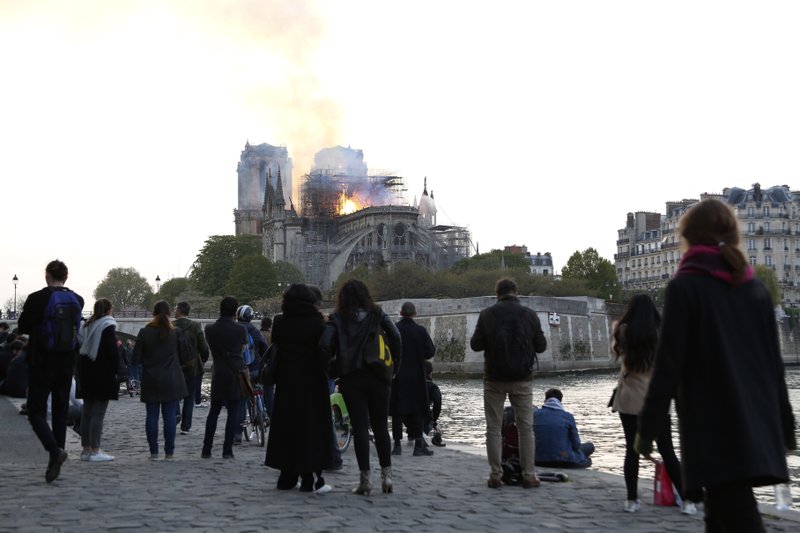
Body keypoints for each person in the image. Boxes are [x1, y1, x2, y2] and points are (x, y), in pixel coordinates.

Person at [636, 199, 796, 531]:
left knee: (734, 512)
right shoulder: (756, 289)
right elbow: (774, 365)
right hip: (755, 415)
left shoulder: (685, 286)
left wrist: (647, 429)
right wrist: (785, 424)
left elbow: (669, 364)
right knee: (723, 513)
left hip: (711, 421)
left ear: (690, 237)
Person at [611, 294, 693, 514]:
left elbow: (616, 350)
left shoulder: (622, 330)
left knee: (631, 450)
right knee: (667, 450)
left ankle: (631, 500)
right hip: (655, 399)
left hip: (628, 397)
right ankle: (687, 501)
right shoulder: (661, 333)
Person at [320, 279, 402, 495]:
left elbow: (324, 345)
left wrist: (331, 368)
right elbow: (396, 336)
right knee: (381, 427)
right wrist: (395, 367)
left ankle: (365, 480)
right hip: (378, 376)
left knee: (360, 428)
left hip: (351, 377)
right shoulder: (378, 313)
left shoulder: (337, 318)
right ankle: (387, 477)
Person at [470, 277, 546, 489]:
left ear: (497, 294)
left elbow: (475, 345)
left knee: (493, 427)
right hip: (522, 378)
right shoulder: (530, 315)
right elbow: (541, 346)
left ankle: (496, 474)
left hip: (494, 377)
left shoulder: (487, 314)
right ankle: (529, 475)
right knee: (525, 428)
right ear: (516, 292)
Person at [18, 259, 84, 483]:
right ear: (66, 276)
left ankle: (54, 452)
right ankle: (57, 456)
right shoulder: (77, 299)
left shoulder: (37, 299)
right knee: (60, 410)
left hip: (42, 360)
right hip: (67, 361)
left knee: (36, 412)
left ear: (46, 275)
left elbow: (24, 326)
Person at [265, 284, 334, 492]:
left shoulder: (280, 322)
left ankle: (286, 476)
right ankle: (308, 478)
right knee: (310, 429)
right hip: (312, 382)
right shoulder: (318, 324)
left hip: (286, 382)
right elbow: (326, 351)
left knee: (287, 428)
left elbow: (278, 345)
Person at [133, 301, 188, 460]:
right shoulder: (175, 333)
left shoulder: (144, 332)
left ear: (153, 313)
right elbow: (184, 356)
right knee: (170, 416)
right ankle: (169, 452)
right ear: (169, 313)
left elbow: (136, 359)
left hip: (151, 379)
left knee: (152, 416)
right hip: (171, 379)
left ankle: (154, 452)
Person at [202, 296, 248, 460]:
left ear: (220, 309)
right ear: (235, 312)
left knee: (213, 411)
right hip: (235, 373)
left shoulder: (209, 328)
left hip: (219, 372)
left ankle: (206, 449)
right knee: (233, 411)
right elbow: (242, 349)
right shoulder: (241, 330)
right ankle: (227, 450)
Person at [390, 301, 436, 457]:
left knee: (397, 410)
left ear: (401, 313)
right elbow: (430, 352)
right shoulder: (420, 331)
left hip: (397, 374)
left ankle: (397, 445)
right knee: (417, 409)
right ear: (415, 313)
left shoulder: (394, 328)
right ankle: (418, 445)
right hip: (417, 375)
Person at [76, 298, 119, 462]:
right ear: (108, 310)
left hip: (87, 371)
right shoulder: (107, 325)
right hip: (102, 373)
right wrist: (117, 371)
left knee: (87, 413)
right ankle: (95, 450)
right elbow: (112, 352)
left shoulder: (87, 325)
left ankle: (86, 450)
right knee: (98, 413)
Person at [533, 388, 594, 468]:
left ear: (545, 400)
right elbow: (576, 444)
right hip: (562, 459)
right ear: (560, 401)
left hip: (538, 459)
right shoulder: (568, 416)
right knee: (590, 447)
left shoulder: (535, 415)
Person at [174, 301, 209, 435]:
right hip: (193, 366)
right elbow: (203, 346)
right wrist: (203, 359)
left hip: (176, 367)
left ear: (179, 310)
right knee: (189, 398)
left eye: (175, 309)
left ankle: (176, 414)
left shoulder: (171, 326)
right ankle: (186, 426)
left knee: (175, 395)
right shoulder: (195, 326)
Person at [234, 304, 268, 444]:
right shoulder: (254, 330)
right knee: (259, 388)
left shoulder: (235, 329)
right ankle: (263, 412)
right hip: (255, 367)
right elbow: (264, 347)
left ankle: (237, 434)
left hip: (241, 369)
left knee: (241, 400)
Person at [423, 360, 444, 447]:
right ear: (430, 373)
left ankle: (411, 434)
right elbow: (438, 401)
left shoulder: (411, 385)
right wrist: (434, 419)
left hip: (407, 418)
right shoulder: (432, 387)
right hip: (423, 418)